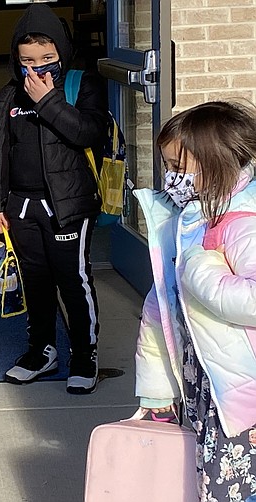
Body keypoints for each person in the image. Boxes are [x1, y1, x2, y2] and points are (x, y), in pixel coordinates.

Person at [135, 101, 256, 501]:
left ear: (216, 162)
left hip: (243, 401)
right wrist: (156, 391)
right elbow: (161, 309)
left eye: (178, 167)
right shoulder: (192, 218)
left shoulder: (242, 225)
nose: (170, 178)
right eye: (167, 167)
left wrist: (202, 273)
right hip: (207, 386)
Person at [0, 4, 108, 394]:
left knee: (73, 280)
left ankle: (84, 354)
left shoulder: (79, 85)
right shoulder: (9, 95)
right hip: (21, 206)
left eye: (47, 59)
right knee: (34, 282)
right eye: (27, 61)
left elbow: (87, 132)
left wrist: (49, 101)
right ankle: (41, 349)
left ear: (61, 55)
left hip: (67, 205)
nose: (36, 69)